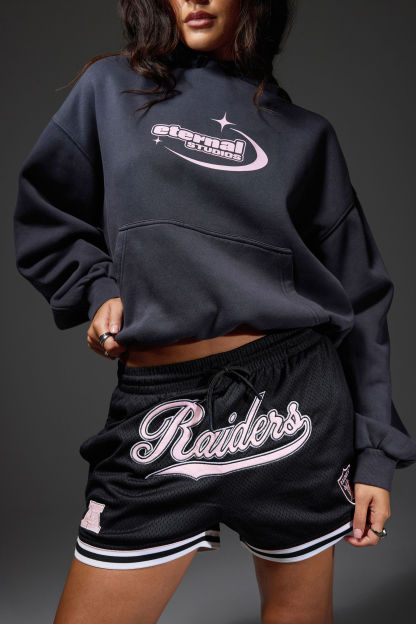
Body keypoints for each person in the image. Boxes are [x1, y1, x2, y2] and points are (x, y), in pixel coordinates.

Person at [13, 1, 416, 623]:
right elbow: (48, 215)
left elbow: (362, 300)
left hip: (292, 404)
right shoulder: (111, 89)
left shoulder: (305, 135)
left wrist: (376, 456)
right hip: (161, 412)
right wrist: (97, 289)